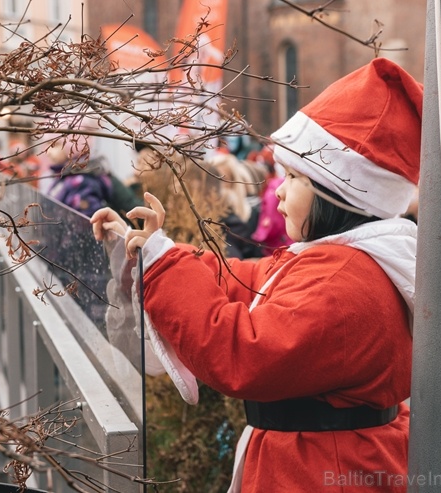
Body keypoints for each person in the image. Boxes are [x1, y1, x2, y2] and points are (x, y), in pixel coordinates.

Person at [91, 58, 422, 492]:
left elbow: (244, 352)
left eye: (295, 177)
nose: (279, 189)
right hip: (324, 464)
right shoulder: (343, 263)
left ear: (338, 196)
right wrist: (156, 252)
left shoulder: (342, 283)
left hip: (321, 475)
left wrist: (164, 263)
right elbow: (247, 280)